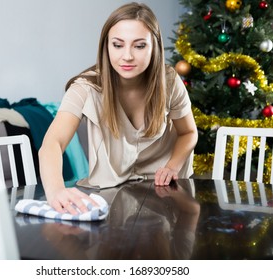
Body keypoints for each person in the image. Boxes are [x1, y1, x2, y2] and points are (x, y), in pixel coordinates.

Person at [39, 2, 198, 215]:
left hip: (167, 196)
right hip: (110, 198)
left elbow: (188, 133)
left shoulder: (169, 81)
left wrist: (172, 167)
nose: (127, 56)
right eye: (118, 45)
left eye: (139, 46)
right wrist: (56, 189)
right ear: (106, 46)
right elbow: (52, 143)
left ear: (155, 46)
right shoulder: (86, 87)